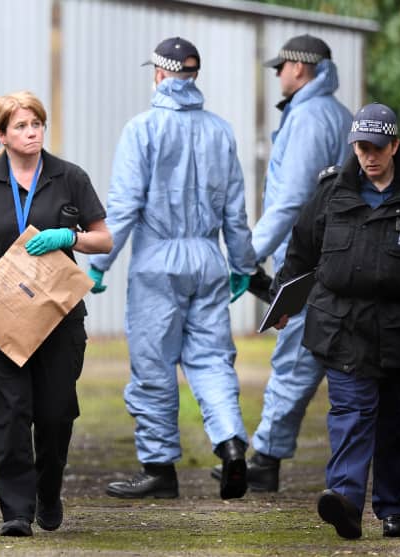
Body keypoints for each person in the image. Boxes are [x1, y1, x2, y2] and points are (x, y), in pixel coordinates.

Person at [212, 34, 400, 494]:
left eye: (282, 67)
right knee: (328, 361)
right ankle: (270, 456)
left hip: (317, 267)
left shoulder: (308, 117)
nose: (279, 74)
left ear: (300, 68)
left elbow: (291, 202)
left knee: (316, 360)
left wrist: (246, 256)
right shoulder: (336, 114)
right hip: (339, 259)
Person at [274, 103, 400, 539]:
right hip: (341, 327)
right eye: (361, 147)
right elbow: (301, 252)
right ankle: (344, 500)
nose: (369, 155)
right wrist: (284, 298)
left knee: (395, 421)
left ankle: (395, 509)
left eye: (378, 147)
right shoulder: (330, 191)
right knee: (350, 412)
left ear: (395, 145)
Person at [87, 37, 257, 501]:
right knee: (211, 359)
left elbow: (122, 208)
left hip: (157, 262)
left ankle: (160, 469)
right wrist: (242, 264)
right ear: (193, 76)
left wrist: (98, 263)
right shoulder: (221, 131)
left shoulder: (141, 130)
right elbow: (236, 213)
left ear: (160, 75)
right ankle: (231, 444)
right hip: (207, 259)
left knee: (153, 366)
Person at [0, 91, 111, 537]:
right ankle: (16, 510)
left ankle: (48, 489)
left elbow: (103, 239)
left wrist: (67, 237)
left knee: (55, 414)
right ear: (2, 134)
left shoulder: (69, 177)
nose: (31, 132)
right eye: (20, 125)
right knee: (9, 414)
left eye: (36, 123)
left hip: (57, 315)